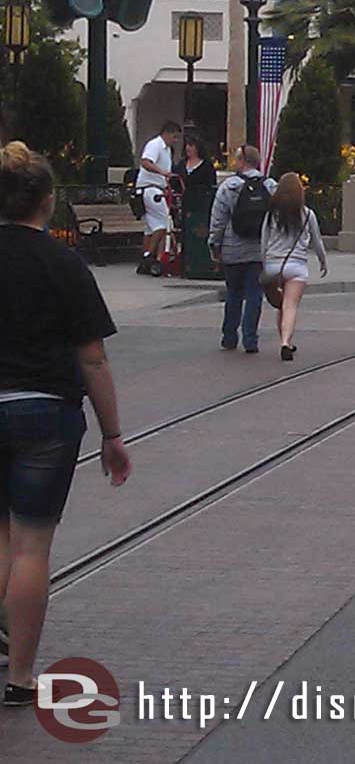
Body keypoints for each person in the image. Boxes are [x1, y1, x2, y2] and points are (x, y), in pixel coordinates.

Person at [0, 141, 132, 707]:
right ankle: (21, 676)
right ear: (47, 202)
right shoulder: (63, 263)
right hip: (45, 411)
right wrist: (111, 433)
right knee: (32, 546)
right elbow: (92, 357)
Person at [208, 146, 277, 354]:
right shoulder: (270, 186)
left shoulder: (229, 186)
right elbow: (277, 219)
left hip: (233, 248)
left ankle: (229, 336)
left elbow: (218, 219)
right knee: (255, 294)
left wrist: (214, 243)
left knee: (234, 292)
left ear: (242, 161)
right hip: (259, 249)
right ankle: (250, 339)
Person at [259, 173, 328, 362]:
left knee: (280, 304)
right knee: (290, 305)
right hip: (297, 266)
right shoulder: (307, 214)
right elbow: (317, 240)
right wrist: (323, 261)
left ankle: (285, 340)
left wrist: (263, 263)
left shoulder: (272, 213)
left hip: (273, 265)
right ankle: (285, 342)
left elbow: (264, 241)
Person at [135, 121, 183, 276]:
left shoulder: (167, 150)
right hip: (151, 189)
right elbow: (145, 162)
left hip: (155, 188)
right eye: (174, 137)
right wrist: (162, 172)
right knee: (163, 223)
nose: (175, 140)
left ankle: (146, 258)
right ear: (167, 133)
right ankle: (152, 255)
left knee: (150, 228)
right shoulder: (155, 145)